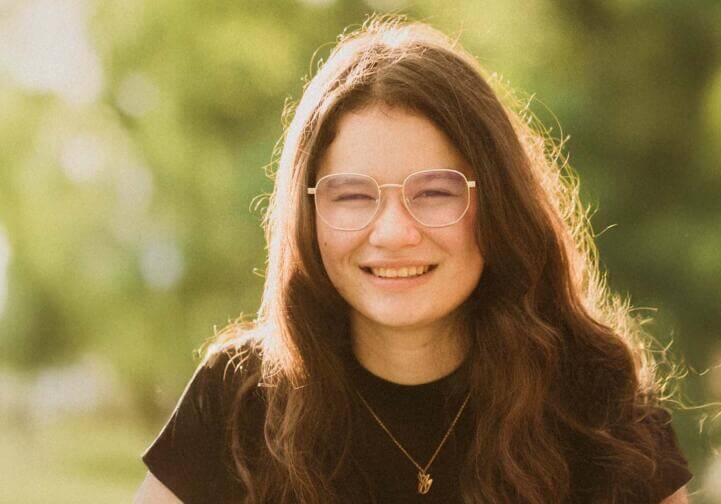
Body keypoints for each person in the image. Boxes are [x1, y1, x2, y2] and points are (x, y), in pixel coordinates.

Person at [134, 15, 692, 504]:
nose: (394, 233)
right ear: (309, 214)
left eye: (434, 192)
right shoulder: (236, 398)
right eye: (353, 195)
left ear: (497, 202)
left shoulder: (596, 399)